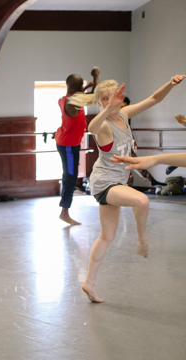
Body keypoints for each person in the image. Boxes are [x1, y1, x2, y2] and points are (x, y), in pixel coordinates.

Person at [69, 74, 185, 303]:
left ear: (121, 100)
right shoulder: (103, 126)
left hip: (119, 182)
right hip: (104, 183)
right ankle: (142, 240)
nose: (109, 101)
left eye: (113, 97)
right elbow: (91, 127)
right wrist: (106, 108)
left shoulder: (124, 114)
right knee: (142, 201)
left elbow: (154, 99)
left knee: (107, 236)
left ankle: (89, 284)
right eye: (103, 99)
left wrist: (169, 84)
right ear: (100, 103)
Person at [55, 67, 100, 226]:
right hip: (67, 144)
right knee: (70, 176)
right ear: (74, 88)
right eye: (81, 86)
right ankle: (64, 212)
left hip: (70, 143)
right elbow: (94, 97)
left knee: (70, 175)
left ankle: (65, 211)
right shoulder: (71, 101)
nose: (83, 89)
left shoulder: (68, 98)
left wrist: (88, 86)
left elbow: (85, 95)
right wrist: (96, 77)